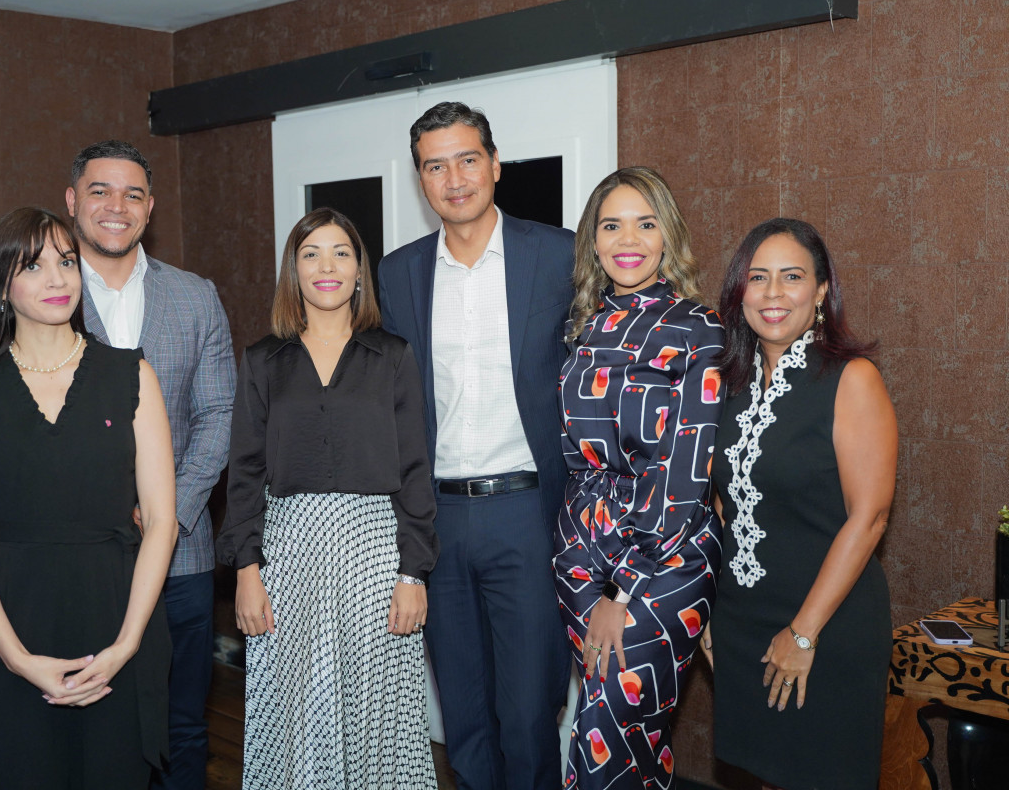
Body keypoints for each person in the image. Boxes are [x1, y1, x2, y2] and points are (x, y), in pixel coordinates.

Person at [0, 207, 177, 788]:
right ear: (2, 285)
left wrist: (126, 646)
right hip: (5, 636)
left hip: (117, 626)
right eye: (34, 267)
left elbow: (162, 522)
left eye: (67, 262)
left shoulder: (131, 376)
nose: (58, 279)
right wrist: (17, 659)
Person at [378, 101, 573, 790]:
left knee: (527, 712)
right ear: (420, 178)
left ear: (494, 164)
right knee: (463, 716)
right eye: (435, 165)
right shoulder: (395, 274)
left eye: (467, 159)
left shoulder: (557, 254)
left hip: (528, 514)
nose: (453, 177)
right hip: (438, 520)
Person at [217, 207, 439, 787]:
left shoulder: (392, 356)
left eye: (341, 252)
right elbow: (244, 471)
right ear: (294, 270)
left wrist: (413, 573)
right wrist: (246, 567)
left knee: (377, 706)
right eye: (311, 253)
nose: (327, 266)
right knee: (294, 706)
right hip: (287, 554)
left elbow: (416, 470)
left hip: (375, 554)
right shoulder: (263, 360)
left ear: (359, 272)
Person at [66, 140, 236, 789]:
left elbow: (219, 413)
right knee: (91, 723)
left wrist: (170, 509)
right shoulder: (40, 295)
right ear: (73, 200)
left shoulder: (195, 298)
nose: (117, 206)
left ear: (151, 207)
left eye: (133, 194)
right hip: (80, 557)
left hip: (183, 559)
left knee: (182, 725)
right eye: (101, 191)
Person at [704, 218, 895, 790]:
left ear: (821, 292)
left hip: (826, 627)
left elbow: (870, 518)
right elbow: (720, 507)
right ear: (740, 293)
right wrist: (708, 613)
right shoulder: (728, 385)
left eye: (792, 277)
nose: (773, 293)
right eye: (757, 278)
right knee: (758, 777)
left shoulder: (850, 378)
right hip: (741, 626)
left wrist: (804, 633)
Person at [554, 167, 723, 789]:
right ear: (592, 242)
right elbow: (576, 458)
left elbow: (686, 468)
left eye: (645, 223)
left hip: (663, 559)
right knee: (635, 745)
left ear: (667, 236)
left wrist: (624, 592)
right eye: (612, 224)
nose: (629, 238)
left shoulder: (697, 328)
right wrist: (578, 560)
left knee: (604, 743)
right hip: (581, 555)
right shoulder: (582, 327)